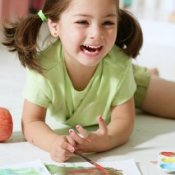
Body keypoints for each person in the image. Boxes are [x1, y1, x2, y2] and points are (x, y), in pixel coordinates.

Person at [2, 0, 175, 163]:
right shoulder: (42, 69)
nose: (96, 34)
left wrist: (106, 140)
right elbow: (31, 121)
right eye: (83, 22)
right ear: (55, 26)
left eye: (107, 23)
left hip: (128, 81)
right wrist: (53, 142)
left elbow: (124, 119)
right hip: (114, 82)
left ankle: (149, 76)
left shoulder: (119, 65)